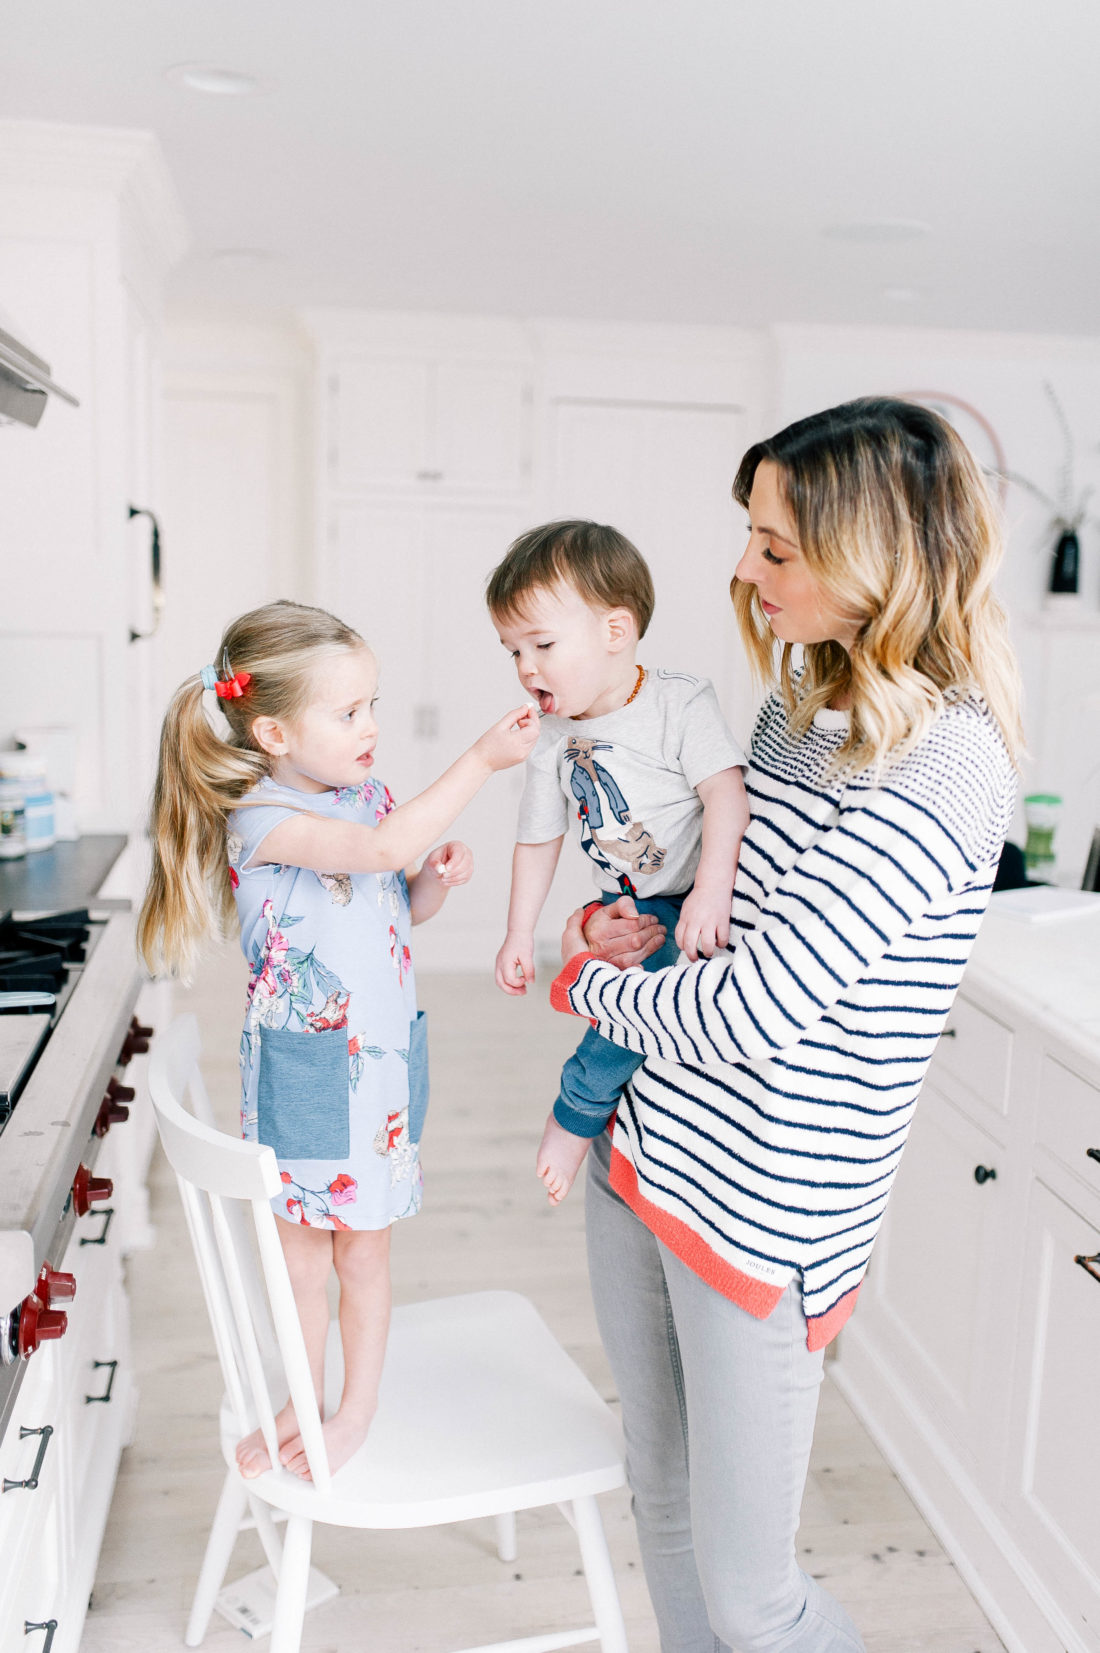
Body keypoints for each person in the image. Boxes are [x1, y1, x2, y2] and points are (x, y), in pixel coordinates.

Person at [550, 400, 1022, 1653]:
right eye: (748, 538)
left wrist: (582, 987)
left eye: (777, 548)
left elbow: (759, 1011)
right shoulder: (793, 710)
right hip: (643, 1156)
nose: (743, 573)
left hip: (763, 1216)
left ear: (877, 555)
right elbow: (726, 934)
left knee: (756, 1595)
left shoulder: (945, 765)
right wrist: (634, 933)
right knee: (660, 1498)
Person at [138, 600, 537, 1479]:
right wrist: (478, 760)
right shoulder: (261, 821)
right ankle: (304, 1390)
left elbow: (395, 898)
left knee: (367, 1245)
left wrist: (430, 882)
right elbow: (381, 847)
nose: (372, 727)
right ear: (275, 731)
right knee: (303, 1255)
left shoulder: (368, 797)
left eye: (372, 705)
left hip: (382, 1069)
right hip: (309, 1079)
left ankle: (357, 1404)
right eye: (349, 712)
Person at [487, 521, 749, 1203]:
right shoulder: (551, 737)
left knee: (638, 1001)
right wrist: (521, 931)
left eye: (542, 644)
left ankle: (576, 1113)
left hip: (697, 889)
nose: (525, 666)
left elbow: (725, 792)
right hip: (632, 900)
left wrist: (712, 889)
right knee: (626, 994)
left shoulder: (678, 703)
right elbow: (537, 839)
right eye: (513, 649)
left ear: (615, 631)